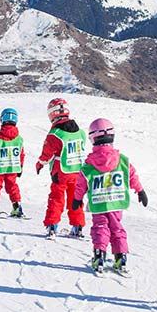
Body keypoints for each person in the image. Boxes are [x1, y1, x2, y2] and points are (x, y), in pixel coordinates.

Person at [71, 118, 148, 273]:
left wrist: (77, 198)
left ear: (92, 137)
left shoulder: (89, 165)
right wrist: (140, 190)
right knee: (117, 229)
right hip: (116, 202)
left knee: (100, 228)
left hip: (99, 203)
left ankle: (99, 256)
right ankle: (121, 257)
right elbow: (131, 175)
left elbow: (81, 184)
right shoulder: (123, 161)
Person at [37, 98, 88, 239]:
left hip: (61, 172)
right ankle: (78, 227)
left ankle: (52, 226)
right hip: (77, 171)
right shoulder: (81, 133)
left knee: (56, 198)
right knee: (76, 198)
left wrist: (40, 163)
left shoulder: (55, 134)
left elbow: (46, 154)